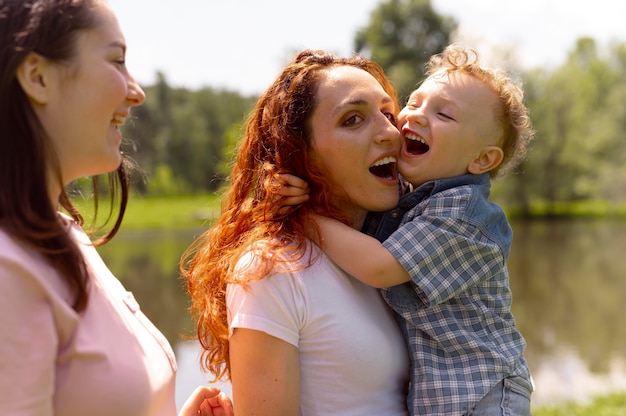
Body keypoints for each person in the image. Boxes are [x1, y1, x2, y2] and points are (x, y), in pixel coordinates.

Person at [0, 1, 232, 415]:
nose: (136, 91)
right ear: (38, 77)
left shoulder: (63, 234)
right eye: (117, 61)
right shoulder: (8, 267)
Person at [281, 44, 535, 415]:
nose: (414, 117)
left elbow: (380, 266)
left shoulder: (465, 215)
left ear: (481, 159)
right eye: (413, 103)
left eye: (444, 115)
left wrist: (304, 214)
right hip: (447, 398)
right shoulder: (409, 198)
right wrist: (300, 185)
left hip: (485, 391)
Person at [181, 49, 411, 415]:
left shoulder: (392, 250)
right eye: (353, 119)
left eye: (387, 113)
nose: (389, 133)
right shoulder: (271, 268)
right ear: (301, 153)